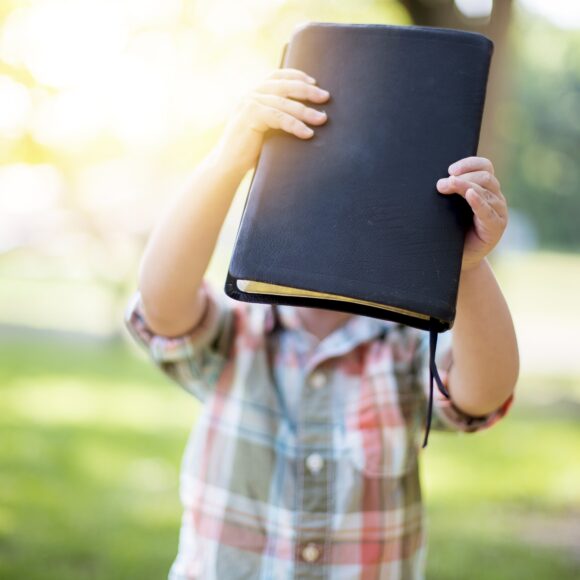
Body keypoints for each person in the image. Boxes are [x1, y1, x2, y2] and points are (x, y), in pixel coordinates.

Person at [124, 66, 519, 579]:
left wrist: (465, 265)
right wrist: (228, 162)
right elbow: (163, 304)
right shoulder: (239, 332)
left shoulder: (401, 347)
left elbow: (482, 392)